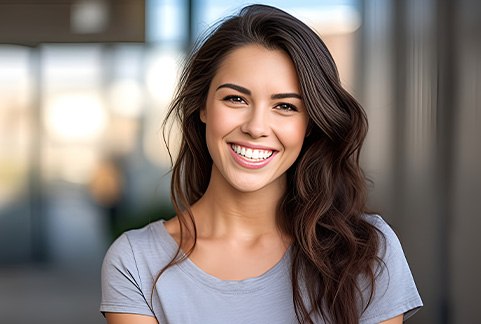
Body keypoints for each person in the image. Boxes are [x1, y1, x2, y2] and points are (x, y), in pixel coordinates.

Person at [100, 4, 422, 324]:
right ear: (202, 107)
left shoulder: (365, 251)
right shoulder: (136, 262)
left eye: (285, 106)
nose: (256, 127)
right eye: (235, 99)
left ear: (310, 124)